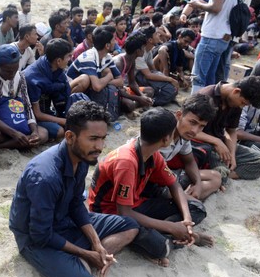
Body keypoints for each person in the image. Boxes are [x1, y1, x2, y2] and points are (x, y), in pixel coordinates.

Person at [9, 101, 140, 277]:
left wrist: (96, 244)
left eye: (103, 139)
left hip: (64, 221)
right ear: (70, 137)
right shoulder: (45, 176)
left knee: (131, 227)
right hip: (35, 238)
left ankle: (86, 260)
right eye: (93, 139)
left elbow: (76, 205)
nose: (100, 147)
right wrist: (86, 253)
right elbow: (40, 234)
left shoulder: (80, 159)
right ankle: (81, 262)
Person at [88, 108, 213, 267]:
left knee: (197, 208)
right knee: (161, 248)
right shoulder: (126, 162)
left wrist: (186, 220)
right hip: (110, 213)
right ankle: (169, 239)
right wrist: (171, 226)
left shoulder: (153, 153)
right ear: (167, 138)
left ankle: (174, 234)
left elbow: (173, 184)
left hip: (135, 204)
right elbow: (124, 213)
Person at [188, 0, 244, 92]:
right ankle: (208, 109)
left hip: (212, 35)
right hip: (225, 36)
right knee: (211, 78)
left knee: (198, 77)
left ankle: (194, 109)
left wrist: (198, 4)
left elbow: (216, 7)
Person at [195, 77, 260, 180]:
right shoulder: (206, 96)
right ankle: (220, 174)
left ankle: (226, 175)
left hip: (221, 144)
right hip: (201, 145)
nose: (242, 106)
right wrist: (216, 142)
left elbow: (232, 131)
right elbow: (189, 130)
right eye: (243, 103)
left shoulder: (235, 103)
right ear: (236, 91)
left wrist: (232, 155)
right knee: (220, 169)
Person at [0, 44, 47, 149]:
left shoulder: (20, 76)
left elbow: (27, 106)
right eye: (8, 71)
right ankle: (18, 141)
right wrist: (13, 133)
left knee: (43, 134)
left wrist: (34, 132)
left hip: (15, 120)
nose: (12, 74)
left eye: (15, 69)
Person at [161, 95, 222, 200]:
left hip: (167, 175)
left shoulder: (183, 135)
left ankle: (186, 199)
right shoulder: (162, 134)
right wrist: (180, 193)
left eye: (201, 126)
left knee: (216, 177)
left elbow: (189, 161)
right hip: (154, 182)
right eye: (192, 122)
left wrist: (198, 184)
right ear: (179, 115)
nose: (195, 130)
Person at [24, 38, 76, 141]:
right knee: (60, 131)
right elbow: (37, 114)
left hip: (48, 110)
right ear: (58, 61)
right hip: (31, 116)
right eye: (69, 56)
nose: (71, 59)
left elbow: (64, 90)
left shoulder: (56, 68)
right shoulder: (33, 79)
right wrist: (63, 120)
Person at [131, 26, 178, 107]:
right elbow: (148, 75)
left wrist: (165, 78)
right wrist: (169, 79)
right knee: (169, 89)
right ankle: (153, 101)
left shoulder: (148, 50)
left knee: (169, 85)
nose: (159, 35)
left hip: (143, 76)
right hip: (135, 78)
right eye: (156, 34)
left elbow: (153, 70)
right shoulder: (139, 53)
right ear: (150, 40)